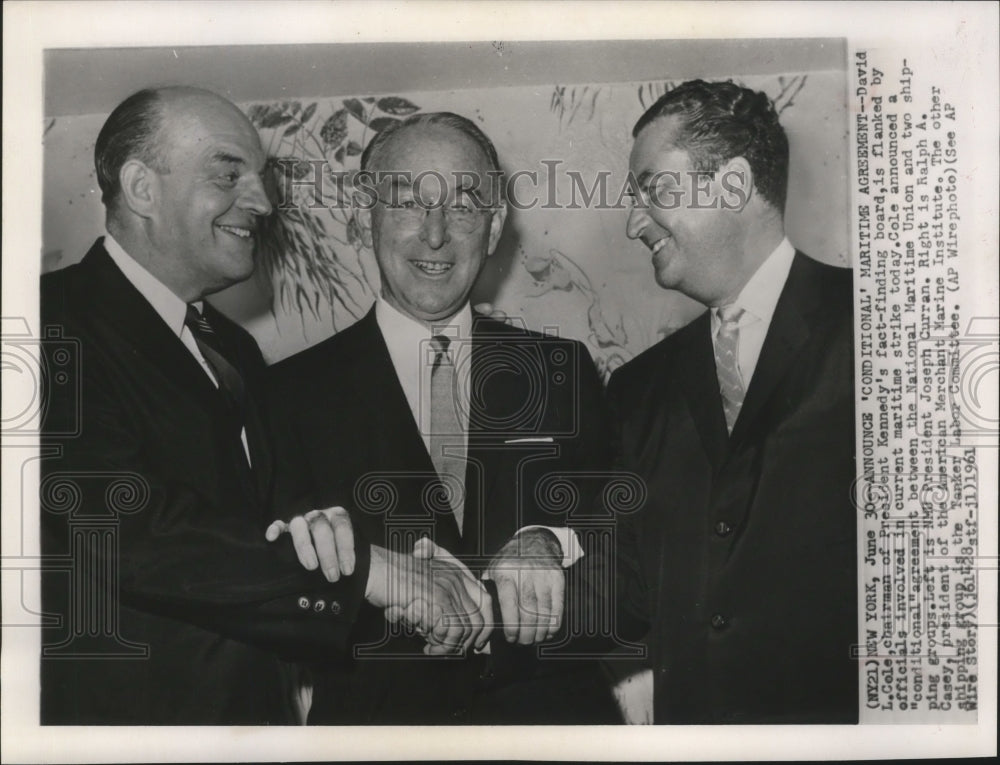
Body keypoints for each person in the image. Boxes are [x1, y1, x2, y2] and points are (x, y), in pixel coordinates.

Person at [39, 87, 476, 725]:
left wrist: (391, 558)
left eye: (263, 178)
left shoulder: (233, 350)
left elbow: (272, 530)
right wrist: (370, 576)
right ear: (140, 188)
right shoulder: (44, 321)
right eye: (229, 174)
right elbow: (120, 522)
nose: (263, 202)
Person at [265, 112, 620, 724]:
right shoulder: (285, 393)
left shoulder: (561, 367)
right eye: (406, 203)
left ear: (495, 225)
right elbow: (273, 593)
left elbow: (628, 534)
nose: (434, 236)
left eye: (462, 205)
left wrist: (550, 541)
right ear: (362, 217)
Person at [608, 79, 858, 723]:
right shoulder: (636, 389)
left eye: (652, 191)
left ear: (734, 184)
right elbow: (626, 588)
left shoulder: (882, 326)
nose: (634, 224)